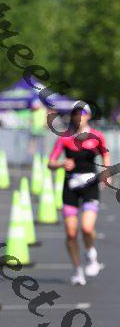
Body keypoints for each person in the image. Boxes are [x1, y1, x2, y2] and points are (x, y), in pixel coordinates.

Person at [48, 102, 111, 285]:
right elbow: (50, 163)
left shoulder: (97, 136)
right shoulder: (64, 138)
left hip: (90, 185)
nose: (79, 117)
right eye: (76, 113)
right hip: (70, 187)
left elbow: (105, 154)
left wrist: (106, 173)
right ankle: (77, 270)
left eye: (82, 113)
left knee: (87, 228)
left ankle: (91, 254)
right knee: (71, 233)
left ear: (88, 116)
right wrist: (61, 164)